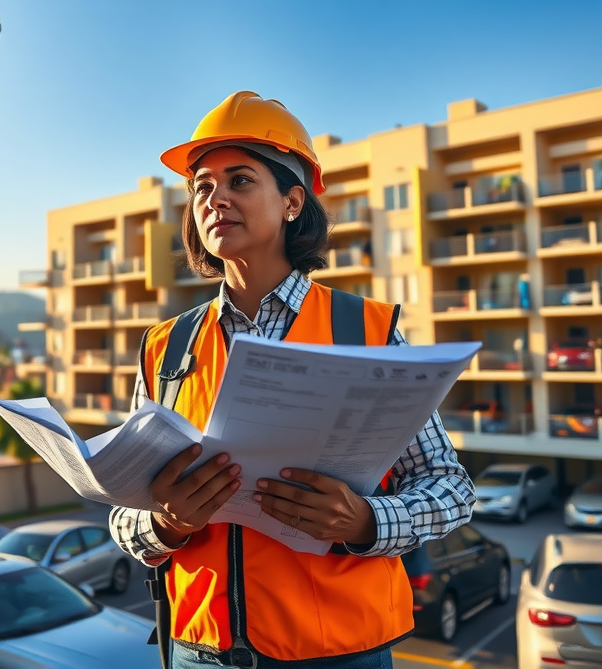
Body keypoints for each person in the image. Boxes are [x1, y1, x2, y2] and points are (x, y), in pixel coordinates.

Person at [109, 92, 476, 669]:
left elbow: (449, 488)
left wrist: (367, 520)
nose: (216, 198)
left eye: (240, 180)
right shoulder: (167, 347)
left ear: (291, 202)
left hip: (338, 653)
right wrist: (164, 522)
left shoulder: (365, 331)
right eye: (202, 186)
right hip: (201, 652)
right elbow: (123, 515)